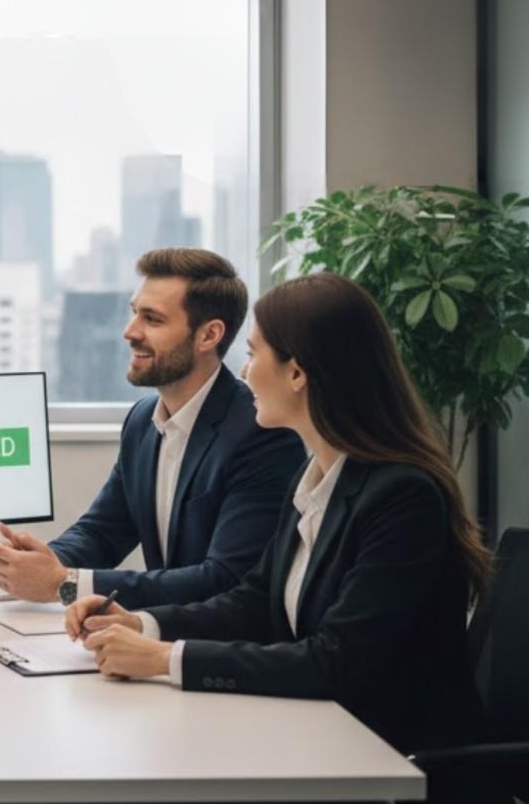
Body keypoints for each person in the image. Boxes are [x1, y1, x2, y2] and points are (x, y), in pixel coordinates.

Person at [66, 272, 495, 800]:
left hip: (390, 761)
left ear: (297, 373)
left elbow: (334, 661)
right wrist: (143, 623)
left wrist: (163, 659)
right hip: (321, 735)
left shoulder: (402, 498)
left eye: (252, 353)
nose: (243, 372)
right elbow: (253, 600)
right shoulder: (317, 475)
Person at [0, 248, 304, 609]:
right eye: (134, 313)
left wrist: (65, 584)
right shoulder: (142, 421)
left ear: (209, 335)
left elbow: (224, 579)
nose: (129, 332)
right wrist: (39, 562)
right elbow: (103, 532)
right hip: (154, 637)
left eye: (152, 319)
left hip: (216, 651)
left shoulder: (261, 432)